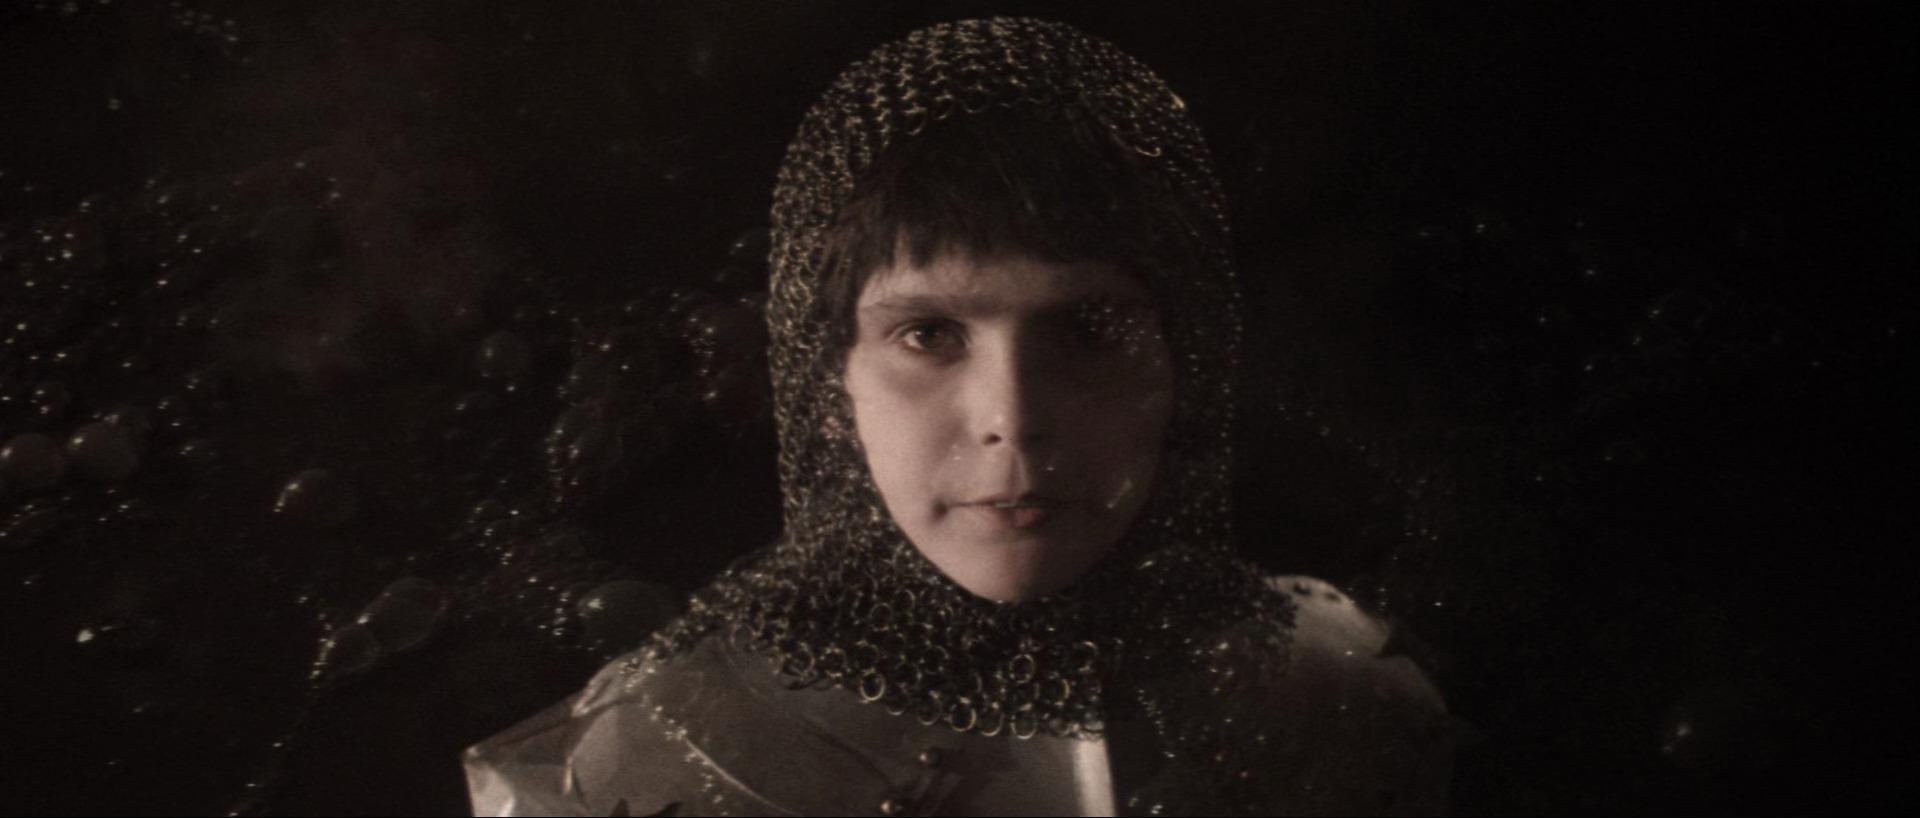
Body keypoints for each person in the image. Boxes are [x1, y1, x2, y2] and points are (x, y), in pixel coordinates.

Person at [465, 17, 1453, 816]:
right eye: (929, 334)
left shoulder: (1342, 693)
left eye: (1088, 330)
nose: (1012, 419)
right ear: (831, 381)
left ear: (1181, 361)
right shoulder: (660, 757)